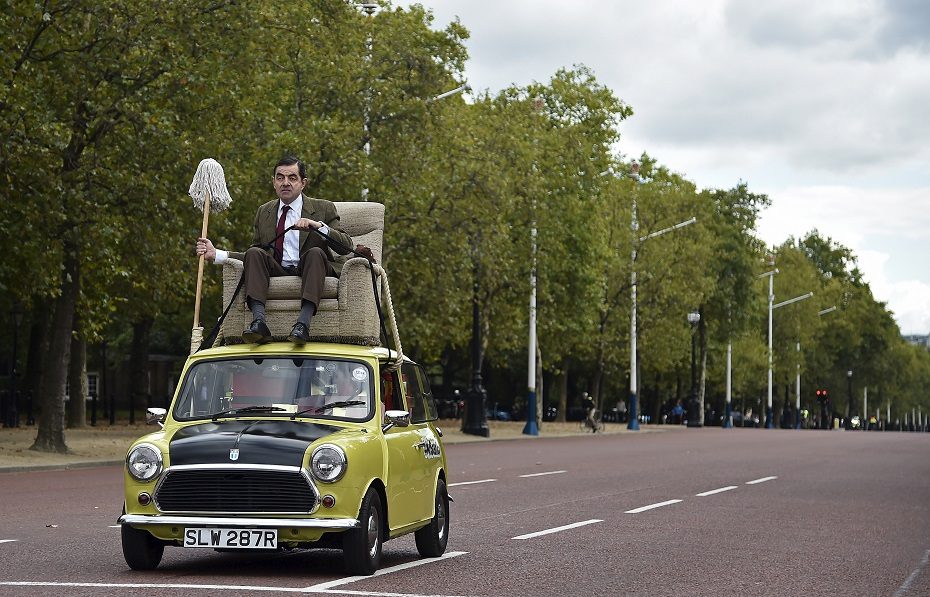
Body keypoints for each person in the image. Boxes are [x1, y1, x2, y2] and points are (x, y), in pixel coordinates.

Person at [196, 156, 354, 344]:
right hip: (277, 268)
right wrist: (218, 254)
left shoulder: (323, 208)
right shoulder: (264, 212)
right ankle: (259, 322)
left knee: (315, 254)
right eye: (280, 178)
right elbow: (256, 255)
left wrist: (317, 226)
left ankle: (302, 325)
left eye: (292, 178)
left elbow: (346, 246)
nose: (285, 183)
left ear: (303, 183)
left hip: (313, 267)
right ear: (273, 182)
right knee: (255, 253)